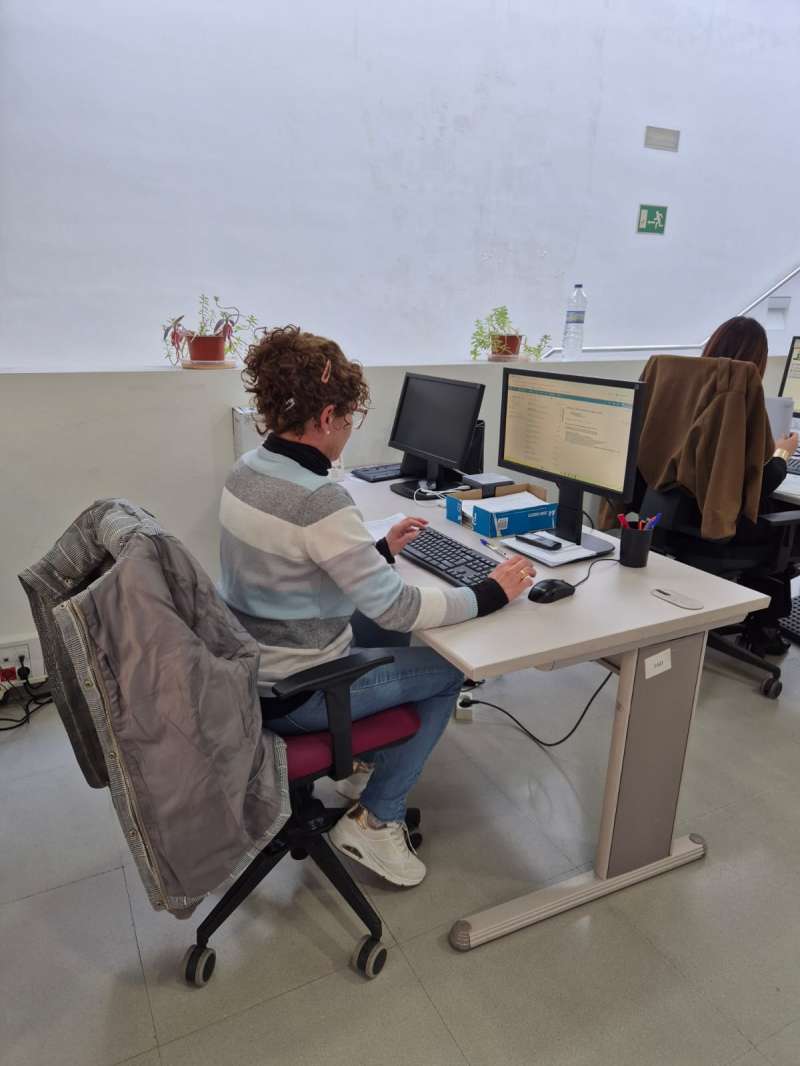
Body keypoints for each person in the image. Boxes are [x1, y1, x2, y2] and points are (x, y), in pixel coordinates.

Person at [219, 325, 535, 887]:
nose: (346, 434)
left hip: (254, 667)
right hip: (296, 691)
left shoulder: (247, 470)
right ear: (326, 417)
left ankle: (358, 767)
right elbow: (399, 611)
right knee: (448, 670)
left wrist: (378, 550)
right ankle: (377, 818)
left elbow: (297, 561)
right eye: (347, 422)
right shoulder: (318, 499)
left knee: (387, 635)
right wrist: (492, 591)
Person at [701, 316, 798, 654]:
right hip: (722, 528)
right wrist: (782, 454)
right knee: (785, 523)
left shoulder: (686, 393)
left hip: (673, 520)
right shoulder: (739, 405)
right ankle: (765, 629)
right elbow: (761, 481)